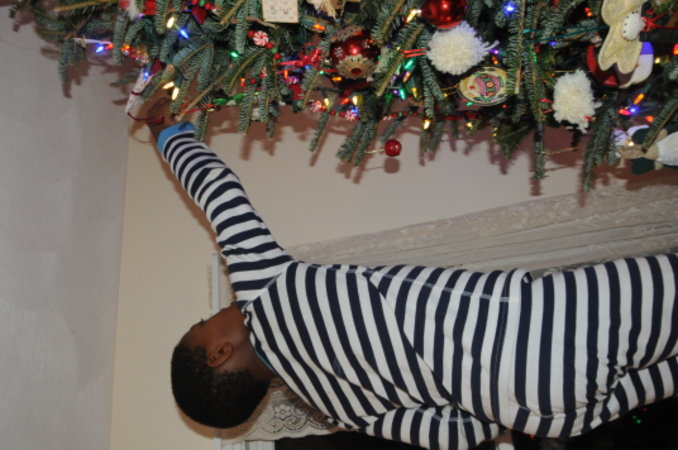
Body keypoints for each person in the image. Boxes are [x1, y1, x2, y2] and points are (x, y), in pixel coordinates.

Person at [145, 106, 678, 450]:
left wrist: (490, 396)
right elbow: (220, 196)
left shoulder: (331, 405)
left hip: (549, 414)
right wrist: (168, 133)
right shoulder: (265, 297)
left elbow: (457, 434)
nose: (217, 313)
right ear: (220, 353)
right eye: (205, 324)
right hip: (545, 330)